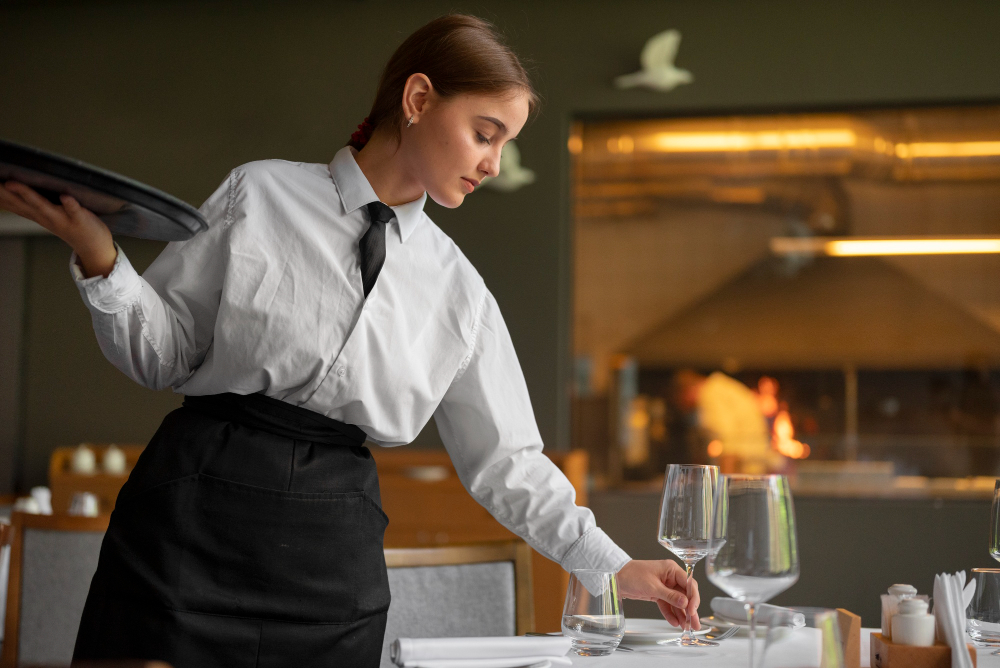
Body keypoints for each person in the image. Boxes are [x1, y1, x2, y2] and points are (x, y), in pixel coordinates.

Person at [0, 15, 699, 667]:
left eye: (504, 145)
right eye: (485, 134)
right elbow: (165, 356)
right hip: (186, 525)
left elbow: (506, 462)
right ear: (418, 99)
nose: (493, 163)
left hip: (331, 563)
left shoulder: (460, 291)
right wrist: (101, 259)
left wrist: (614, 565)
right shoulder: (258, 195)